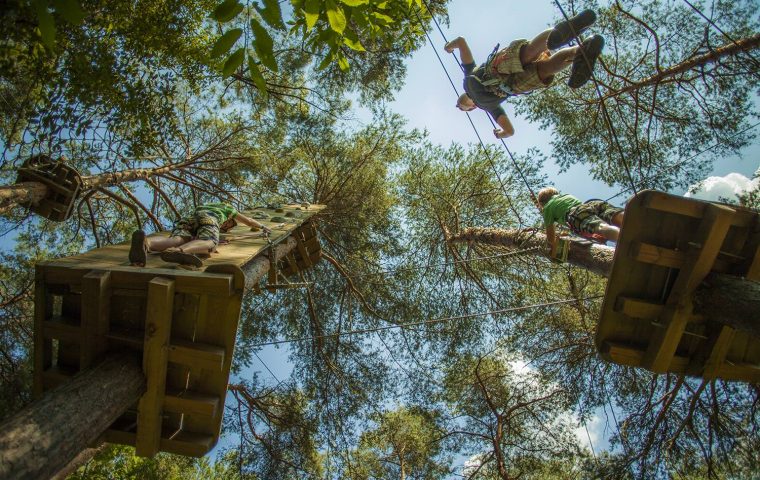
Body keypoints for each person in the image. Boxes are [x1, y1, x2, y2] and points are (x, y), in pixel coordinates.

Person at [444, 9, 603, 139]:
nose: (458, 105)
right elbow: (510, 131)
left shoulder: (468, 74)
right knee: (545, 69)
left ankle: (561, 31)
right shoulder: (491, 108)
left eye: (458, 106)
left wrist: (449, 46)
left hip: (494, 70)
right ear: (471, 109)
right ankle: (582, 50)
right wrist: (502, 134)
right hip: (512, 86)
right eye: (460, 108)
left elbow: (461, 41)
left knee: (527, 53)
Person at [129, 202, 272, 267]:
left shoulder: (204, 205)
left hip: (190, 219)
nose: (224, 229)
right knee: (210, 242)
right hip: (209, 218)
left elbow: (195, 232)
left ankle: (147, 243)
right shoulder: (227, 209)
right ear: (229, 221)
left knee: (178, 239)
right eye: (227, 227)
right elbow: (249, 221)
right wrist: (263, 226)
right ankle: (179, 251)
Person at [536, 187, 624, 258]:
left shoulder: (547, 208)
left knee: (600, 227)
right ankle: (625, 218)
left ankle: (624, 239)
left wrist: (551, 248)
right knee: (613, 215)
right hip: (591, 204)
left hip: (575, 213)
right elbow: (586, 213)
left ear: (543, 203)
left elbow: (550, 232)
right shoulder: (566, 196)